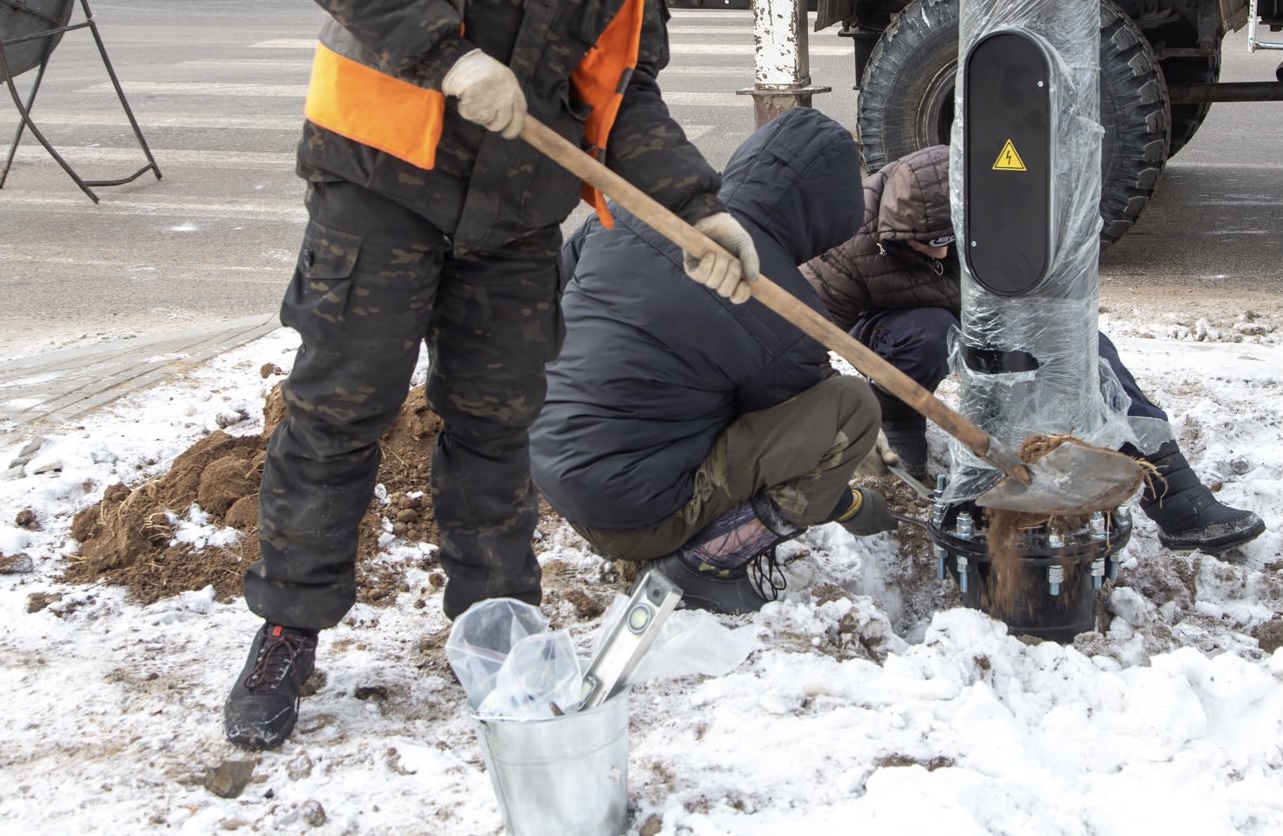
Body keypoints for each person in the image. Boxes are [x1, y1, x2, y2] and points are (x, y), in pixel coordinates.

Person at [223, 0, 764, 751]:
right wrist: (448, 58)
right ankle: (288, 628)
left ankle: (497, 628)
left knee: (498, 425)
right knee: (340, 412)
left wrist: (695, 209)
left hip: (514, 215)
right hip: (383, 181)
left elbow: (622, 90)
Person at [801, 144, 1266, 555]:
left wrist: (1056, 352)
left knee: (1093, 354)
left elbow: (1058, 301)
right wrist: (849, 420)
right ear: (894, 230)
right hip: (895, 323)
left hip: (997, 306)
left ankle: (1179, 501)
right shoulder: (849, 236)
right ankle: (897, 412)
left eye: (951, 241)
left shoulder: (1003, 214)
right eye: (927, 244)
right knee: (927, 333)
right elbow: (809, 337)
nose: (941, 255)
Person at [530, 107, 900, 617]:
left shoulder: (641, 208)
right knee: (851, 408)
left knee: (708, 379)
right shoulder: (781, 304)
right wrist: (850, 504)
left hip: (547, 463)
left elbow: (548, 290)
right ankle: (704, 567)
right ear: (826, 215)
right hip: (636, 516)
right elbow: (796, 449)